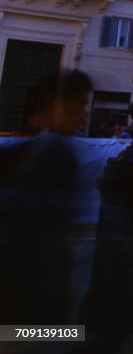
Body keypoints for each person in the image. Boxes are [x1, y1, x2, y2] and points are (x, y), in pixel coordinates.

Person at [0, 71, 94, 335]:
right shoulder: (55, 151)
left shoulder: (18, 150)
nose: (84, 113)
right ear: (57, 104)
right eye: (80, 103)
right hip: (35, 304)